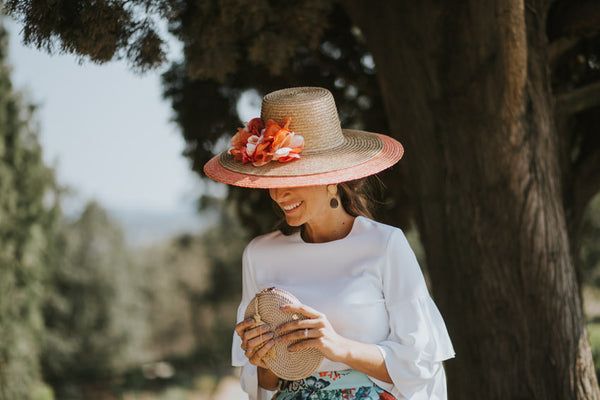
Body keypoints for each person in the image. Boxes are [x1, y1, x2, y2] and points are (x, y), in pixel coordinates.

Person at [204, 87, 455, 400]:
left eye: (292, 179)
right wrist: (263, 359)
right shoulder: (259, 254)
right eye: (272, 181)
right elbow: (263, 387)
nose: (279, 194)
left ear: (332, 178)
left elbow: (420, 367)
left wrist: (338, 346)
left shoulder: (386, 245)